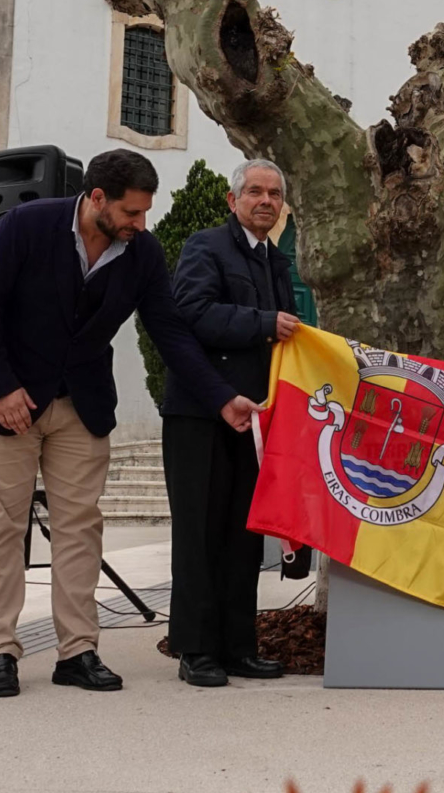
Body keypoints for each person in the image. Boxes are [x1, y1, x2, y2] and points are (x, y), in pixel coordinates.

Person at [0, 148, 258, 698]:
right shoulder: (27, 225)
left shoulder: (140, 253)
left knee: (80, 528)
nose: (140, 225)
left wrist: (221, 398)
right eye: (131, 213)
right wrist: (0, 387)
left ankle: (77, 650)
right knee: (1, 528)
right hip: (8, 403)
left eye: (144, 214)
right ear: (97, 198)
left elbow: (169, 331)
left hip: (83, 405)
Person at [162, 159, 296, 688]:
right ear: (232, 199)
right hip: (200, 412)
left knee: (244, 535)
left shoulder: (277, 261)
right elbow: (190, 311)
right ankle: (196, 650)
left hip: (256, 416)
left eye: (275, 194)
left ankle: (240, 646)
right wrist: (264, 323)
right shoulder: (205, 246)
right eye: (255, 192)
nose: (265, 201)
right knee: (199, 532)